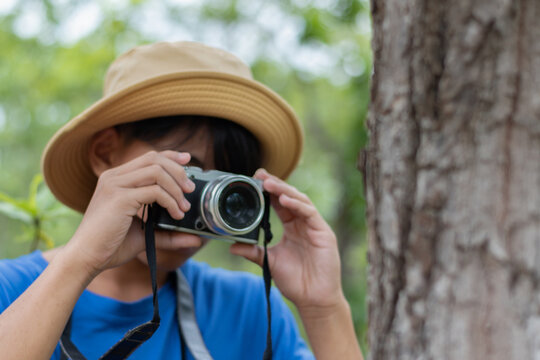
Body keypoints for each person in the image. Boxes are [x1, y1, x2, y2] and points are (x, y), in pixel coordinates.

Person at [0, 41, 362, 360]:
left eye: (228, 190)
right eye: (190, 175)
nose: (199, 205)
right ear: (105, 153)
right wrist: (81, 261)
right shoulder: (12, 291)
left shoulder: (246, 310)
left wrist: (324, 308)